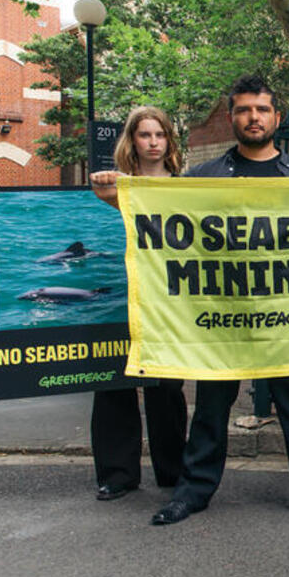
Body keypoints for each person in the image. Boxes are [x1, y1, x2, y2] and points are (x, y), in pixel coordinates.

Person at [95, 76, 289, 526]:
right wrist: (117, 200)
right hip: (222, 325)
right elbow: (164, 232)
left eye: (262, 110)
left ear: (276, 118)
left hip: (286, 325)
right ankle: (192, 493)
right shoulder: (203, 179)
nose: (254, 118)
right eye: (245, 110)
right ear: (232, 118)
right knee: (210, 411)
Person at [86, 106, 188, 501]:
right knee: (112, 384)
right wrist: (104, 188)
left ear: (168, 141)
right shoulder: (112, 185)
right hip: (120, 294)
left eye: (159, 135)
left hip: (167, 300)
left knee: (166, 387)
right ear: (132, 141)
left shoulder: (185, 187)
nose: (152, 142)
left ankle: (173, 469)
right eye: (144, 135)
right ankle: (117, 473)